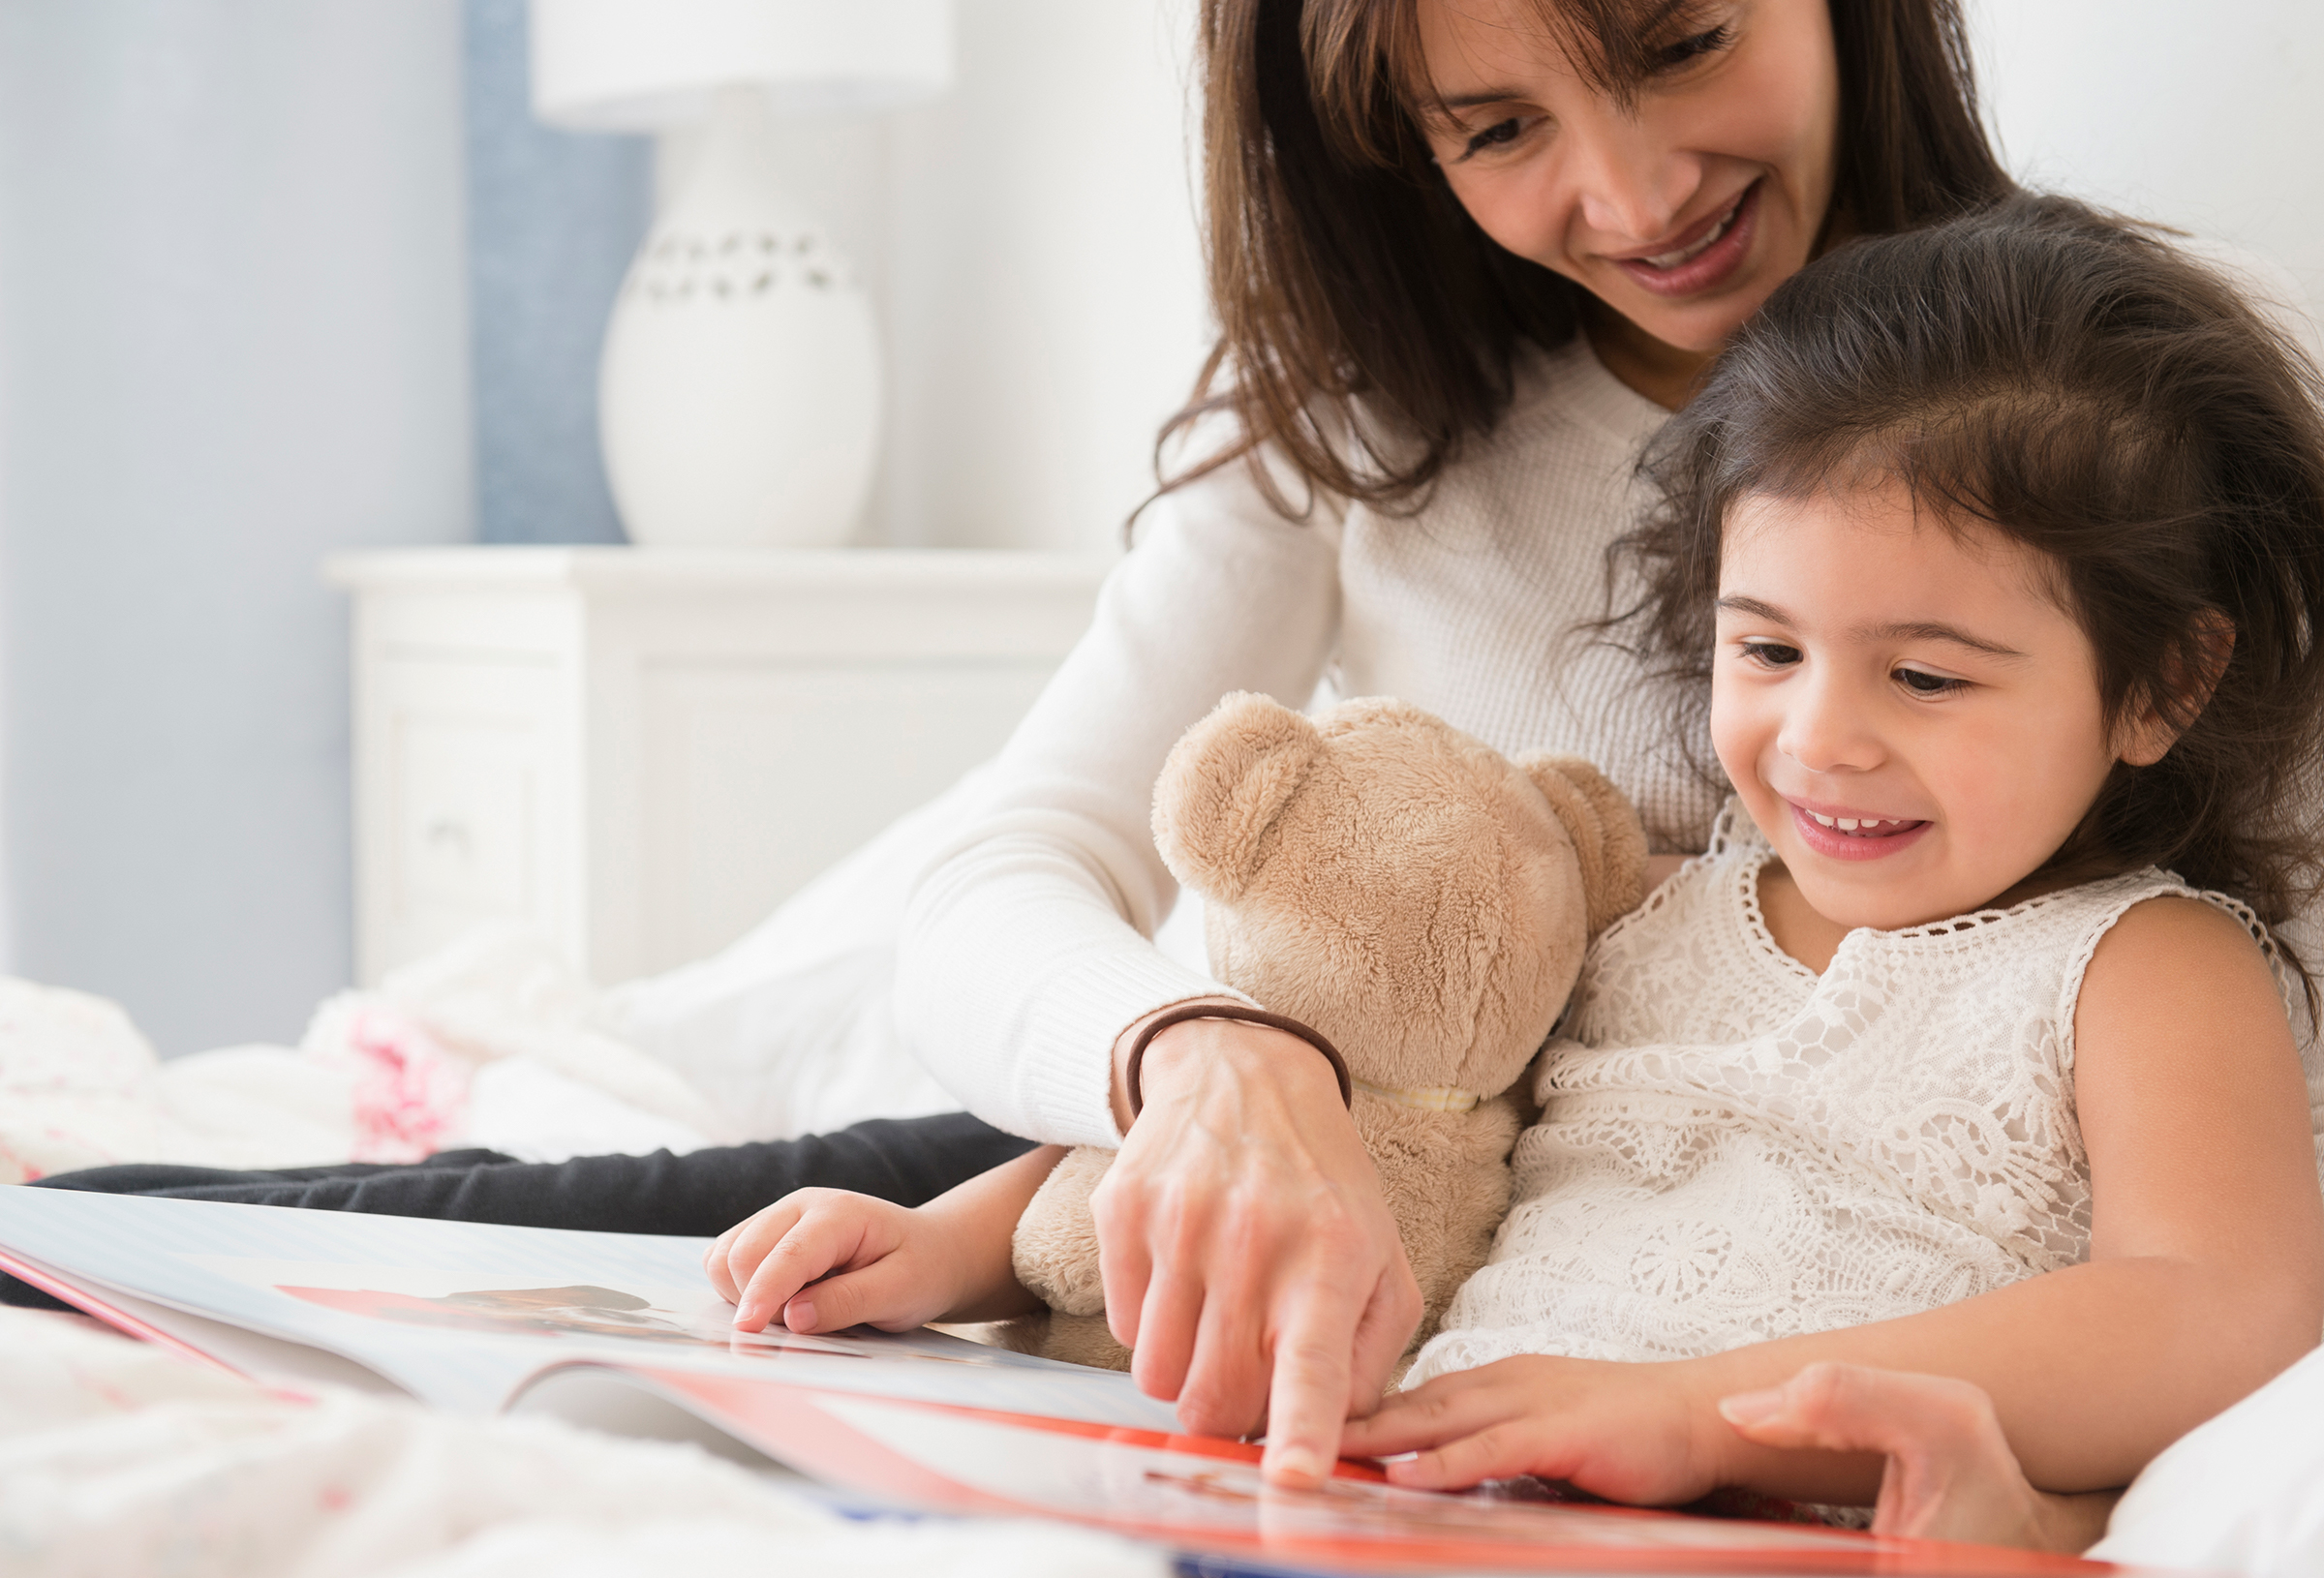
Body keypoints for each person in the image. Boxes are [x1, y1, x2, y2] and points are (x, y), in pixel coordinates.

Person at [11, 0, 2041, 1483]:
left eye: (1682, 42)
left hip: (1606, 1241)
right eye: (1495, 126)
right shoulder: (1368, 414)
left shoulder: (2088, 419)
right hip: (1210, 1138)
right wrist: (1207, 1057)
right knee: (362, 1237)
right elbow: (993, 875)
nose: (1624, 189)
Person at [700, 197, 2324, 1528]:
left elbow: (2223, 1306)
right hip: (1435, 1498)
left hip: (1752, 1522)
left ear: (2163, 684)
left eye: (1929, 676)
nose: (1821, 739)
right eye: (1766, 650)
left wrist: (1697, 1418)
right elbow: (1389, 1117)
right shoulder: (1636, 912)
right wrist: (955, 1247)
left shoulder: (2143, 963)